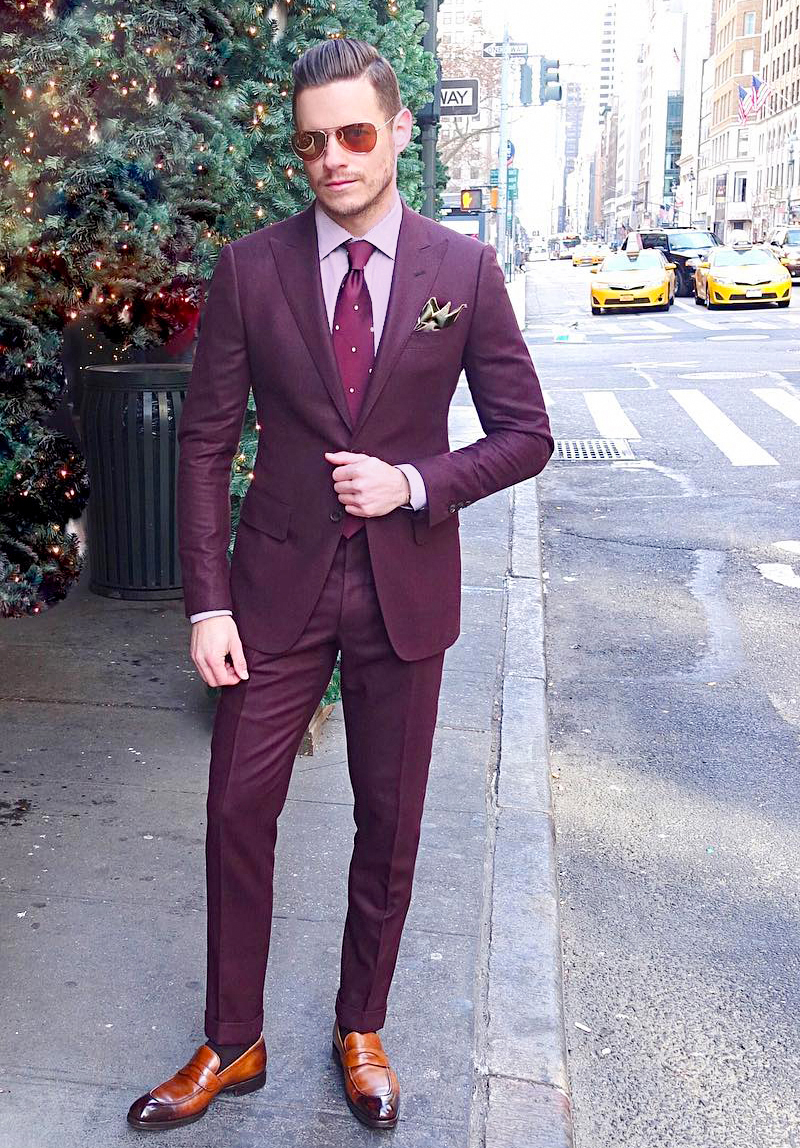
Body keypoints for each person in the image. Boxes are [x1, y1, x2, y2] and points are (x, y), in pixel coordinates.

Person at [127, 37, 552, 1134]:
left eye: (354, 134)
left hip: (404, 593)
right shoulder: (250, 269)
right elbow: (207, 445)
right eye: (311, 141)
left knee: (389, 820)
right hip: (272, 591)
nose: (332, 159)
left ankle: (359, 1024)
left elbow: (525, 435)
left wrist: (414, 479)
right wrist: (207, 601)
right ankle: (235, 1037)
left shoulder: (460, 274)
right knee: (235, 803)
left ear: (400, 132)